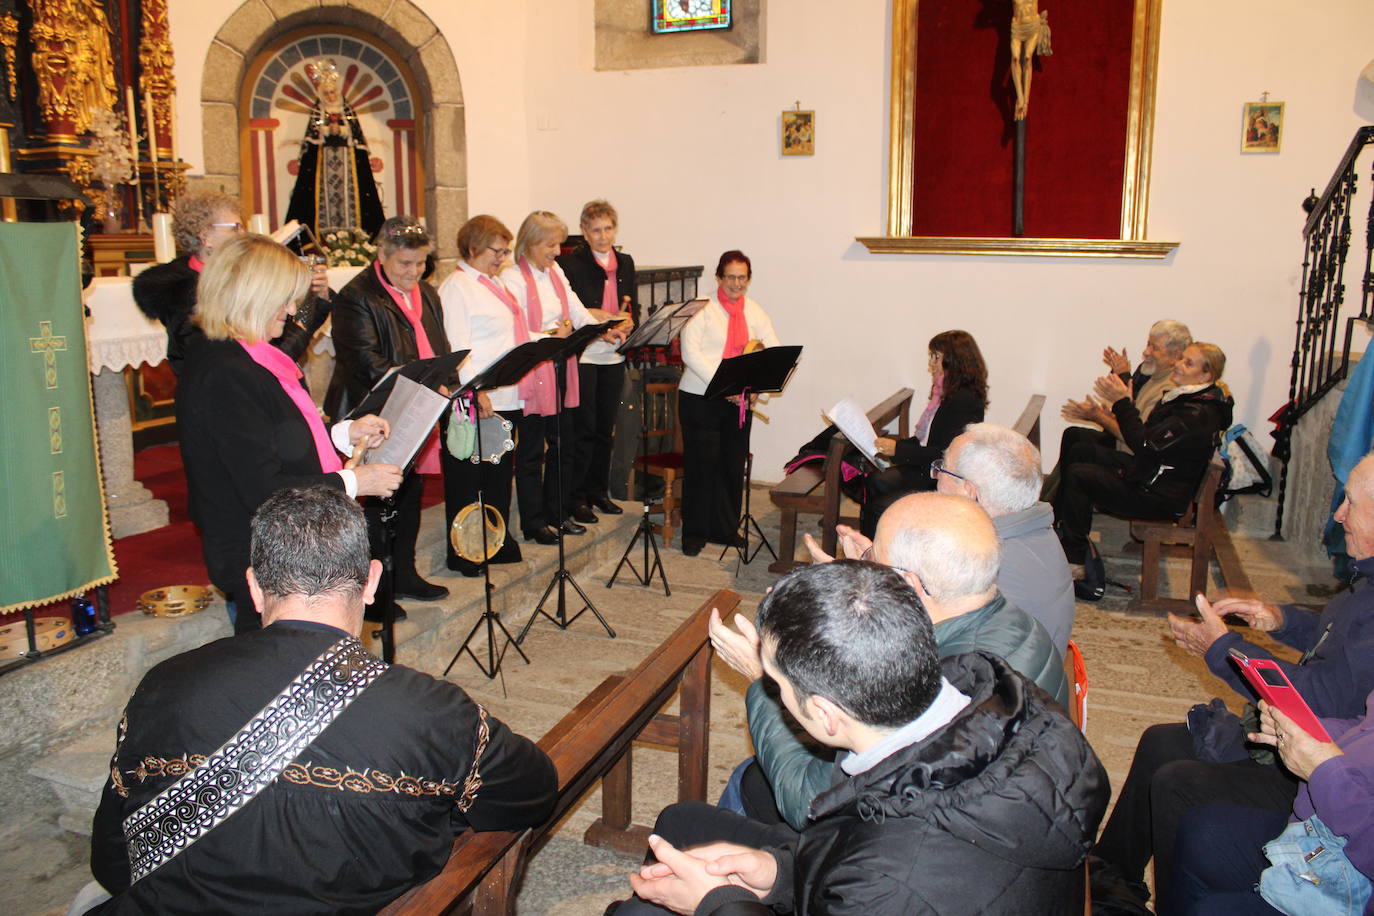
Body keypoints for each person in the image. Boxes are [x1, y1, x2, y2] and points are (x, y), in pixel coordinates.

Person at [87, 485, 557, 913]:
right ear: (371, 582)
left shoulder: (163, 685)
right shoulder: (433, 711)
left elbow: (112, 860)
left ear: (254, 586)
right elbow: (533, 793)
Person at [614, 561, 1108, 915]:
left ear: (825, 716)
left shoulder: (893, 878)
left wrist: (718, 903)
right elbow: (854, 847)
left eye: (776, 686)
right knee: (682, 820)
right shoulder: (998, 697)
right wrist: (780, 872)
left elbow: (876, 874)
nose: (773, 693)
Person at [1089, 451, 1374, 912]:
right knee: (1160, 742)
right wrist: (1280, 619)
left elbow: (1320, 701)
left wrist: (1222, 649)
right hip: (1311, 744)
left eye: (1351, 504)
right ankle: (1109, 878)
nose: (1339, 514)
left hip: (1318, 769)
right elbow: (1339, 634)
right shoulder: (1368, 579)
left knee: (1177, 784)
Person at [723, 491, 1068, 830]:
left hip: (891, 835)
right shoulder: (1015, 621)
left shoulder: (941, 681)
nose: (867, 562)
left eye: (874, 556)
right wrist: (853, 592)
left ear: (908, 582)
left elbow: (810, 804)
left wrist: (769, 678)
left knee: (748, 781)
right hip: (997, 804)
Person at [176, 234, 399, 633]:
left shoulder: (246, 356)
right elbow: (262, 487)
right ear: (253, 295)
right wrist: (354, 481)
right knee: (276, 658)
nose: (293, 310)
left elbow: (276, 433)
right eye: (284, 299)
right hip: (258, 550)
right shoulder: (226, 371)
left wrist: (344, 434)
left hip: (281, 543)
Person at [325, 216, 451, 606]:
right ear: (381, 254)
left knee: (409, 492)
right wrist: (422, 384)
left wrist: (444, 377)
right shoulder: (357, 296)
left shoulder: (426, 292)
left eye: (421, 263)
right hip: (373, 412)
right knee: (377, 503)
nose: (414, 272)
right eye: (404, 263)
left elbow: (439, 345)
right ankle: (374, 592)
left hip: (416, 408)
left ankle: (405, 573)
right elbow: (366, 363)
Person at [1168, 694, 1374, 916]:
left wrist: (1324, 771)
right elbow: (1365, 728)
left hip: (1354, 881)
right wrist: (1303, 732)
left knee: (1210, 910)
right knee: (1201, 829)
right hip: (1323, 827)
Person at [1054, 341, 1233, 566]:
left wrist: (1122, 402)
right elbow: (1148, 437)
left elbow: (1144, 444)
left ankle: (1074, 558)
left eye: (1188, 363)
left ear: (1205, 376)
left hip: (1158, 495)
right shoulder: (1188, 399)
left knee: (1079, 475)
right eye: (1181, 359)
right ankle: (1062, 528)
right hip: (1151, 473)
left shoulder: (1195, 414)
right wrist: (1122, 403)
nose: (1178, 365)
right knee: (1081, 451)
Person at [501, 210, 621, 543]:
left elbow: (577, 309)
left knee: (563, 444)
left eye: (558, 244)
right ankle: (533, 521)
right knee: (530, 452)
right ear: (530, 243)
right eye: (550, 245)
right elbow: (517, 328)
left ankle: (557, 511)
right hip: (533, 370)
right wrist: (554, 334)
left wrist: (603, 328)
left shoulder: (555, 271)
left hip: (560, 366)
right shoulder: (512, 278)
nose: (557, 251)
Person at [132, 190, 333, 375]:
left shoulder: (235, 279)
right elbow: (268, 359)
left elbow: (285, 338)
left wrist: (315, 298)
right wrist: (309, 311)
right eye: (235, 228)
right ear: (205, 237)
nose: (243, 235)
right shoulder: (184, 294)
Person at [438, 215, 533, 574]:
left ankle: (495, 542)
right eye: (497, 251)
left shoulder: (493, 284)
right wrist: (474, 390)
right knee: (469, 478)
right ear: (474, 246)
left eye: (506, 251)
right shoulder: (458, 287)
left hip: (504, 395)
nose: (502, 258)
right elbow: (457, 346)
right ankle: (465, 553)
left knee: (497, 477)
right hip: (475, 398)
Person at [936, 422, 1075, 652]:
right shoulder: (1035, 530)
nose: (937, 476)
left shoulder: (984, 565)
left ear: (970, 492)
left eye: (943, 468)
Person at [678, 250, 780, 556]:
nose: (737, 283)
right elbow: (690, 353)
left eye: (742, 277)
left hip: (738, 402)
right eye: (731, 277)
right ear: (719, 278)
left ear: (749, 279)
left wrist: (754, 389)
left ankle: (724, 529)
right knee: (701, 466)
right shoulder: (701, 307)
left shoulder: (755, 311)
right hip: (700, 398)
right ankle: (694, 532)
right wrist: (726, 386)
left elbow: (772, 352)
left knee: (731, 465)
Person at [1043, 319, 1192, 502]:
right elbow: (1132, 417)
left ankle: (1059, 506)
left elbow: (1138, 439)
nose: (1146, 352)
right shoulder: (1152, 376)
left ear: (1175, 355)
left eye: (1154, 347)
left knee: (1080, 457)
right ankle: (1051, 500)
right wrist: (1104, 413)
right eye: (1148, 344)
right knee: (1073, 435)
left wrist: (1099, 417)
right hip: (1130, 447)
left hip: (1140, 463)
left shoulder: (1167, 389)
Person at [860, 329, 988, 537]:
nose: (931, 363)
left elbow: (945, 454)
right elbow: (927, 440)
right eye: (931, 356)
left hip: (942, 477)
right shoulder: (946, 393)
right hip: (928, 468)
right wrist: (893, 446)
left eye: (936, 356)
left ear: (955, 360)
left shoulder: (964, 400)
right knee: (875, 481)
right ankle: (867, 544)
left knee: (882, 507)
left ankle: (879, 552)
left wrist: (898, 450)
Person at [558, 199, 638, 520]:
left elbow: (631, 305)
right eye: (595, 230)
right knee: (585, 429)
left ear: (615, 229)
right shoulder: (571, 264)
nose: (603, 236)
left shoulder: (626, 262)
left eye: (608, 229)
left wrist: (629, 323)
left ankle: (598, 492)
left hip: (613, 356)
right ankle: (577, 497)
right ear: (584, 231)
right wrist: (599, 330)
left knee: (606, 429)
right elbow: (572, 311)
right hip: (586, 355)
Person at [283, 57, 385, 238]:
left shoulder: (347, 111)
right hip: (323, 165)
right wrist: (326, 130)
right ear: (322, 95)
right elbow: (312, 138)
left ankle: (355, 238)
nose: (331, 96)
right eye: (327, 93)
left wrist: (343, 130)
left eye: (332, 92)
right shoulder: (318, 112)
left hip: (348, 164)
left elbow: (356, 136)